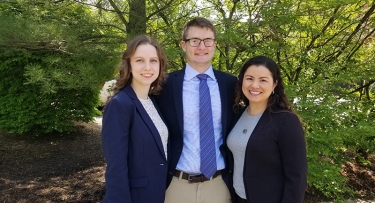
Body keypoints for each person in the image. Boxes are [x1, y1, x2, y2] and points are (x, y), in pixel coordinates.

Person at [156, 17, 237, 203]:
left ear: (215, 45)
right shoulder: (165, 85)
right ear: (183, 45)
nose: (202, 46)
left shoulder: (231, 85)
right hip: (176, 184)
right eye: (195, 41)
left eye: (207, 41)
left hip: (218, 185)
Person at [226, 55, 308, 203]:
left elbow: (297, 177)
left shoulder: (286, 121)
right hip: (237, 198)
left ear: (274, 84)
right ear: (242, 81)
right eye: (249, 78)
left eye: (263, 80)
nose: (255, 85)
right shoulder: (236, 115)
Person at [101, 35, 168, 203]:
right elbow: (116, 167)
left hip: (158, 193)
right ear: (129, 65)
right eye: (139, 60)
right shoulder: (119, 105)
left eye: (153, 61)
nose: (147, 67)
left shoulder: (153, 101)